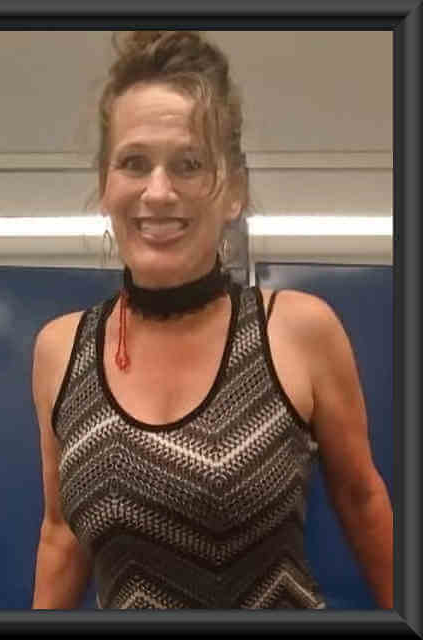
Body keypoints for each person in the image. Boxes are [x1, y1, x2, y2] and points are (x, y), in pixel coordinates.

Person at [31, 30, 393, 610]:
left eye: (190, 164)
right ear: (104, 185)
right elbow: (60, 534)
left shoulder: (298, 331)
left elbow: (362, 501)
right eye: (134, 163)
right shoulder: (60, 351)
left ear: (233, 191)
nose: (158, 192)